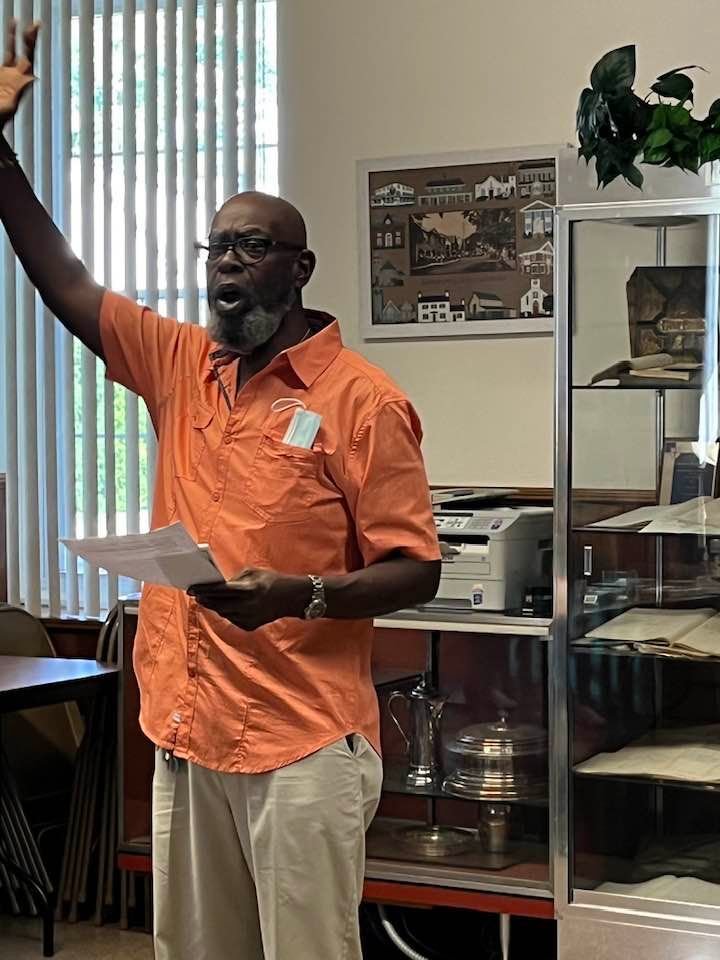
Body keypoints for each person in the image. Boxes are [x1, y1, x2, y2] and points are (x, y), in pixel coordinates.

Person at [0, 20, 441, 960]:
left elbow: (415, 570)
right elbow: (64, 282)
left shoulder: (362, 401)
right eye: (217, 249)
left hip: (303, 746)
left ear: (300, 268)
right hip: (188, 729)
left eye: (253, 245)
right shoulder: (179, 365)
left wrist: (298, 596)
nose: (229, 261)